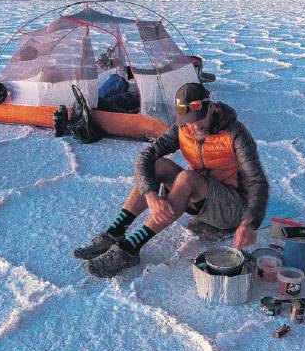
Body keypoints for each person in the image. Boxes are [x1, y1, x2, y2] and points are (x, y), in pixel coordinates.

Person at [75, 82, 269, 278]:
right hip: (201, 197)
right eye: (188, 121)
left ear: (211, 107)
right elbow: (145, 157)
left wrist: (249, 222)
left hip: (233, 209)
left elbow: (257, 181)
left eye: (198, 119)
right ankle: (115, 232)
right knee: (158, 165)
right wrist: (150, 194)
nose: (193, 126)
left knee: (187, 178)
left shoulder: (235, 133)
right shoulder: (181, 128)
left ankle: (130, 249)